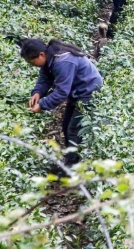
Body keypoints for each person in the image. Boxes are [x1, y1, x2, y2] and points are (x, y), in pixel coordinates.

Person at [21, 38, 103, 166]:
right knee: (65, 125)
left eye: (32, 62)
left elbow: (61, 92)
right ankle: (71, 158)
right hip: (76, 91)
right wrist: (37, 92)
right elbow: (45, 78)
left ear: (41, 55)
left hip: (88, 91)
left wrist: (42, 105)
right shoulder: (50, 57)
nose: (32, 65)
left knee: (74, 130)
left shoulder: (63, 61)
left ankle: (73, 165)